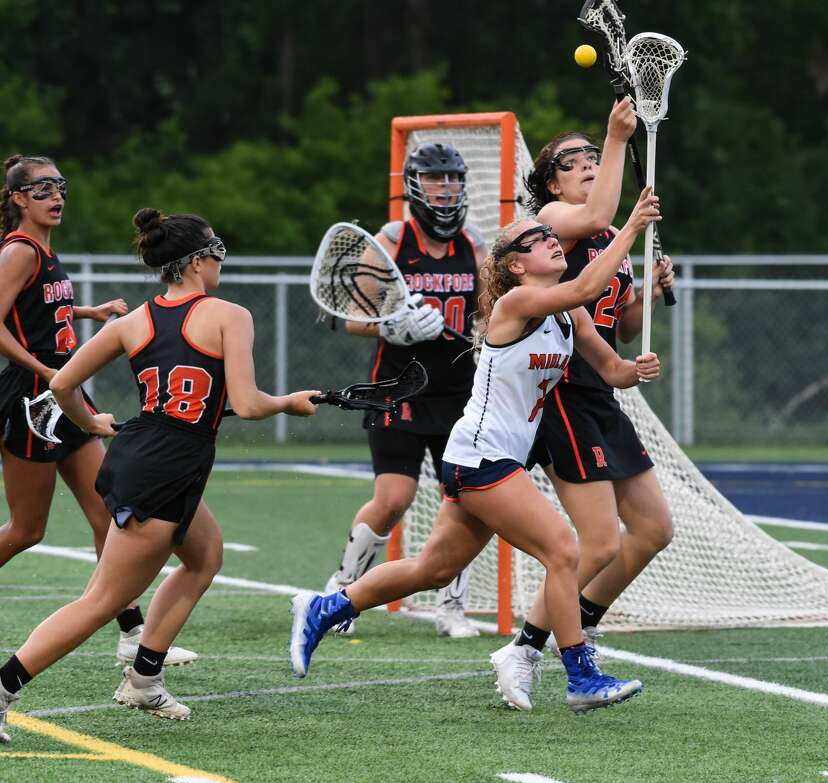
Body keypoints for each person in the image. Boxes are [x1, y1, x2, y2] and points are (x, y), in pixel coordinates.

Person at [289, 186, 663, 714]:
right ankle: (580, 676)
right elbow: (584, 285)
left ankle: (324, 608)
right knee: (564, 551)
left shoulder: (566, 315)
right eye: (538, 239)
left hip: (490, 456)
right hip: (481, 455)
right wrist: (631, 229)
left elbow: (612, 371)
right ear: (514, 267)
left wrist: (637, 369)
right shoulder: (518, 303)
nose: (552, 241)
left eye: (551, 236)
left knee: (433, 569)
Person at [0, 209, 319, 743]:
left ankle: (145, 676)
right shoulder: (229, 315)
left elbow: (63, 385)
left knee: (205, 553)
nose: (219, 261)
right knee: (102, 602)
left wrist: (91, 422)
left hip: (152, 454)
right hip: (162, 466)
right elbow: (246, 401)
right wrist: (288, 402)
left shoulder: (132, 322)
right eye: (214, 251)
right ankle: (5, 688)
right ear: (195, 261)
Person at [489, 100, 675, 708]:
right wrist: (620, 136)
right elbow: (601, 210)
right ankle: (523, 647)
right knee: (596, 544)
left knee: (651, 530)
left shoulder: (602, 237)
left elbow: (618, 326)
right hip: (563, 393)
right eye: (576, 161)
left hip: (599, 389)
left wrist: (648, 294)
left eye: (596, 157)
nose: (591, 165)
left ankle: (583, 617)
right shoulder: (548, 223)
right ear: (550, 184)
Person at [0, 154, 197, 670]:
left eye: (60, 186)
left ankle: (132, 635)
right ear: (19, 198)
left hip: (63, 395)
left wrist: (91, 312)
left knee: (108, 513)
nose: (55, 196)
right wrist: (46, 374)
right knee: (26, 531)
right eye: (41, 189)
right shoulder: (19, 251)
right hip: (33, 397)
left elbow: (42, 309)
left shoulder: (43, 250)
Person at [322, 143, 483, 639]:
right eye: (435, 179)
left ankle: (452, 606)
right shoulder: (391, 241)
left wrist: (480, 330)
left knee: (467, 498)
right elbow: (352, 319)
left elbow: (492, 312)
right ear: (415, 184)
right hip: (398, 388)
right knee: (394, 497)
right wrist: (393, 327)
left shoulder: (475, 245)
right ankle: (343, 591)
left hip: (459, 390)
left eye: (453, 179)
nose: (446, 188)